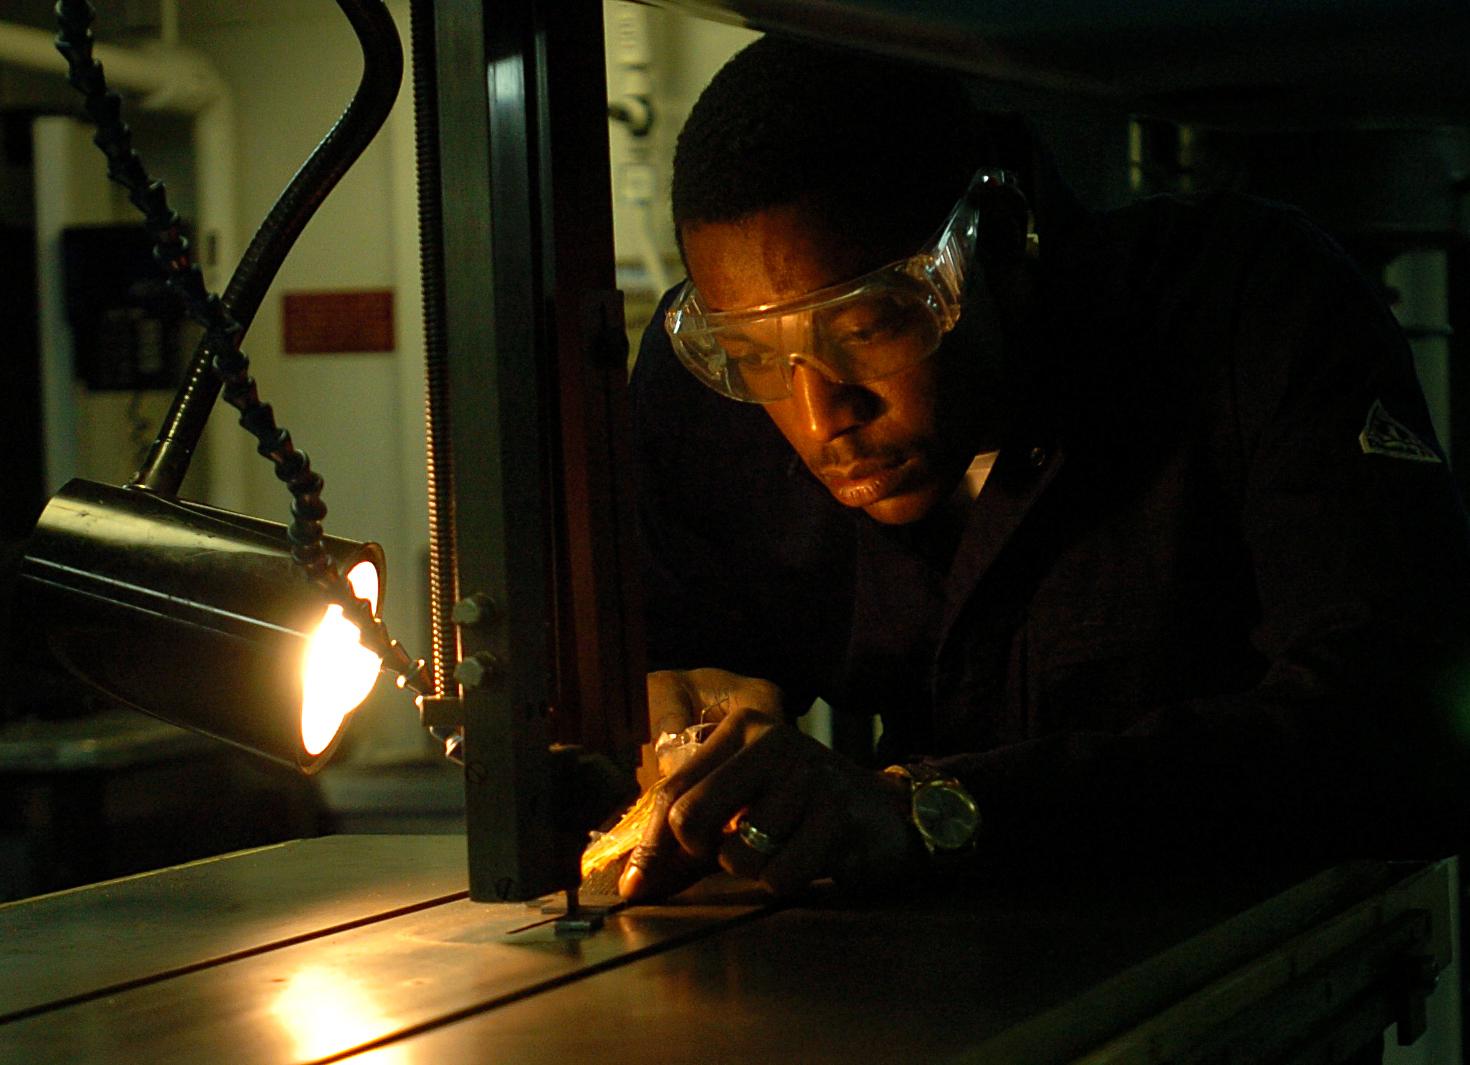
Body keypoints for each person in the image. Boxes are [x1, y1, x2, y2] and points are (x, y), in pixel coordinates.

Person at [617, 34, 1470, 903]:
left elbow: (1409, 736)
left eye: (869, 327)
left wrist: (931, 810)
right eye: (755, 355)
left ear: (991, 242)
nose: (819, 418)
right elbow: (672, 653)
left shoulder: (1251, 310)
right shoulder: (709, 395)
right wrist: (688, 712)